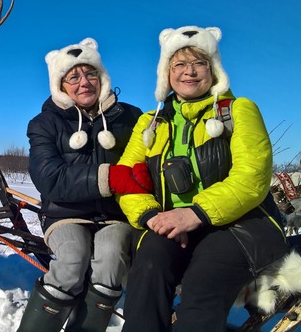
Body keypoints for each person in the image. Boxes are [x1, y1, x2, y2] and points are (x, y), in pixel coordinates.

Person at [108, 25, 289, 331]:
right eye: (179, 64)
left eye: (199, 63)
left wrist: (194, 213)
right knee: (149, 265)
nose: (189, 72)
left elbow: (251, 179)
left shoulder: (238, 111)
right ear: (166, 72)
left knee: (203, 281)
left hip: (239, 226)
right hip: (171, 224)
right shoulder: (150, 122)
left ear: (213, 69)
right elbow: (125, 177)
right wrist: (152, 216)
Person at [18, 38, 143, 332]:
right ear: (60, 85)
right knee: (72, 261)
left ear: (102, 78)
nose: (83, 82)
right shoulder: (45, 123)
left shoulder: (130, 118)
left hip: (116, 214)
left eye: (90, 74)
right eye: (73, 77)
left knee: (112, 260)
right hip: (65, 213)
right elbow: (49, 177)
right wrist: (110, 178)